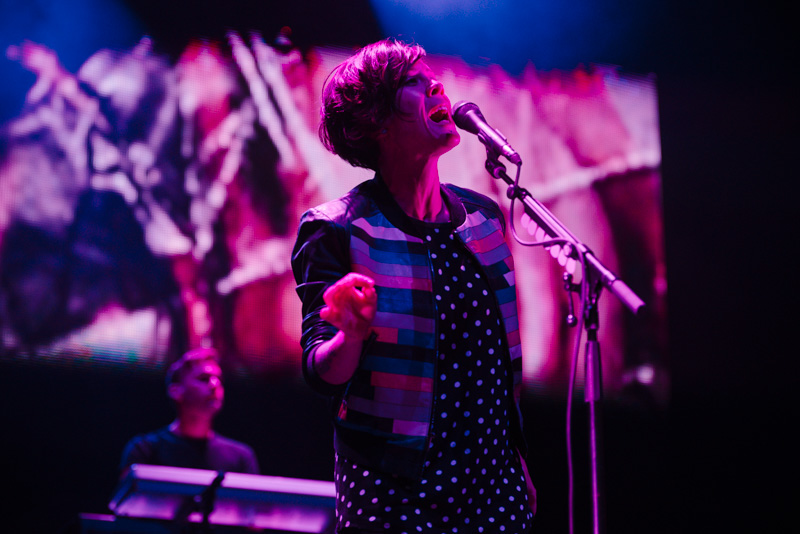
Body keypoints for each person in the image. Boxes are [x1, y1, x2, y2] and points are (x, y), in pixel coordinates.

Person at [291, 39, 536, 533]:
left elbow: (493, 367)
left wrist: (516, 457)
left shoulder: (485, 218)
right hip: (394, 488)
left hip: (494, 483)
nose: (436, 86)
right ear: (375, 120)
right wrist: (350, 334)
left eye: (431, 76)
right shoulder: (337, 229)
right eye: (413, 82)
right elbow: (322, 372)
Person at [119, 347, 259, 476]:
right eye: (204, 379)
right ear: (176, 391)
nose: (214, 385)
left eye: (219, 380)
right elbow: (127, 502)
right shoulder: (145, 450)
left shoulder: (240, 457)